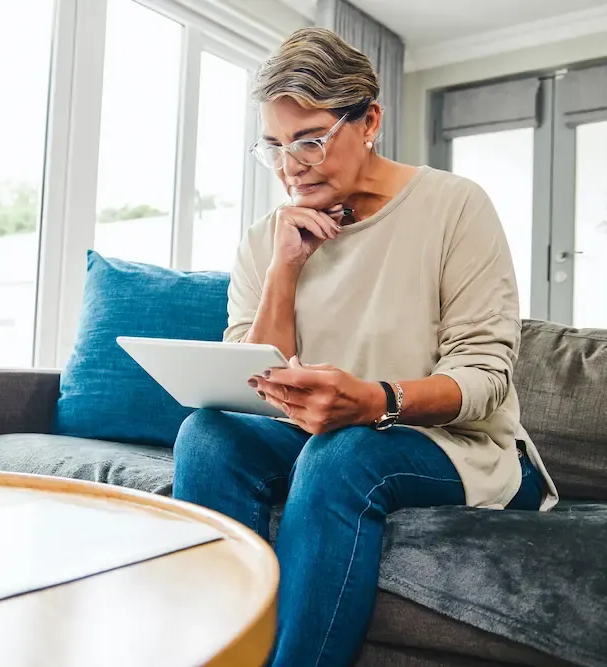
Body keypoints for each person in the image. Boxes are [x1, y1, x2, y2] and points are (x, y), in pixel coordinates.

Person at [172, 27, 559, 667]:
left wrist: (376, 401)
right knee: (207, 435)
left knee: (342, 454)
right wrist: (284, 268)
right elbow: (253, 381)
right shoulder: (268, 238)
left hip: (462, 448)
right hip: (324, 436)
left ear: (369, 120)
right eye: (272, 146)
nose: (290, 166)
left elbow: (484, 376)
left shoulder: (454, 207)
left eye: (310, 140)